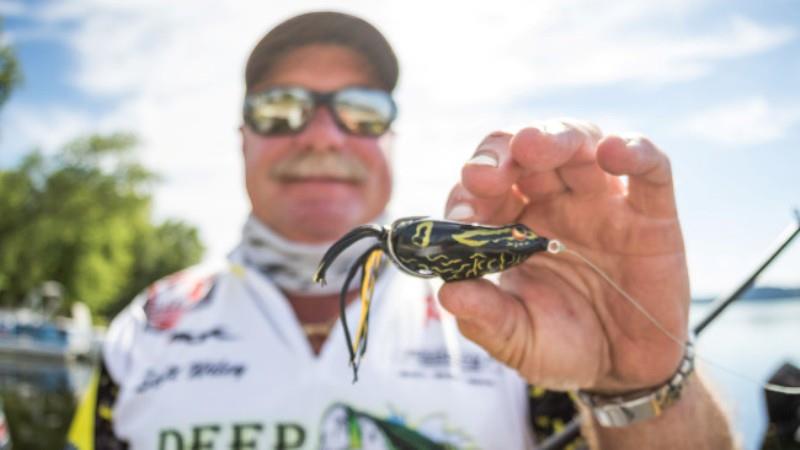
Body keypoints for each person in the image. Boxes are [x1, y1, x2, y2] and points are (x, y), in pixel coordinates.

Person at [67, 11, 737, 450]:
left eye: (360, 109)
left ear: (391, 137)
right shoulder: (142, 332)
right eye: (281, 107)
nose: (323, 135)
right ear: (242, 138)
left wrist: (639, 385)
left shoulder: (524, 317)